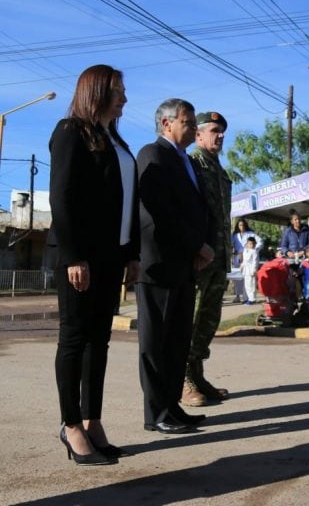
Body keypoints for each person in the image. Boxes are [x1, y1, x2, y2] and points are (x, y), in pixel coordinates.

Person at [49, 64, 139, 465]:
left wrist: (132, 253)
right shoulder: (70, 132)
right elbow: (62, 198)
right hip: (80, 258)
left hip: (112, 256)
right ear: (96, 91)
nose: (123, 97)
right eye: (118, 90)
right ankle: (70, 426)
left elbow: (128, 203)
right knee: (74, 339)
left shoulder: (115, 141)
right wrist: (74, 256)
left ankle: (92, 421)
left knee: (98, 342)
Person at [136, 98, 213, 435]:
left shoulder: (187, 161)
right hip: (160, 265)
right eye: (188, 119)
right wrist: (196, 244)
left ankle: (172, 407)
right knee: (156, 343)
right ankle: (156, 413)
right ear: (166, 124)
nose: (193, 125)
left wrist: (202, 246)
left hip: (185, 264)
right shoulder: (153, 155)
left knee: (178, 341)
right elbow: (161, 212)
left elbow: (200, 208)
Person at [183, 110, 232, 408]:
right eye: (215, 129)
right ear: (198, 134)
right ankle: (182, 378)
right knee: (191, 319)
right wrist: (195, 247)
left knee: (208, 320)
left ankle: (198, 374)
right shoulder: (191, 164)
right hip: (200, 258)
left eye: (223, 130)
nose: (221, 135)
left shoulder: (219, 170)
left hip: (220, 258)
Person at [231, 219, 260, 303]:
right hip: (237, 256)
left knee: (248, 279)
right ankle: (237, 296)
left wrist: (254, 249)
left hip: (248, 256)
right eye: (240, 225)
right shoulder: (234, 235)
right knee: (238, 277)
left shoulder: (250, 234)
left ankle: (247, 297)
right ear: (237, 226)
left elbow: (260, 241)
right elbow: (229, 243)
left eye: (243, 225)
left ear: (245, 225)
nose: (241, 227)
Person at [240, 237, 259, 305]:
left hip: (251, 270)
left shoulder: (254, 252)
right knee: (246, 285)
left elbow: (255, 262)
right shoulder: (245, 251)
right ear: (247, 244)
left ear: (255, 244)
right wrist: (242, 265)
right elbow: (244, 260)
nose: (251, 245)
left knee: (251, 285)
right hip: (245, 269)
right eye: (250, 243)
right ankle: (246, 298)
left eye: (253, 244)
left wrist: (254, 270)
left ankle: (252, 299)